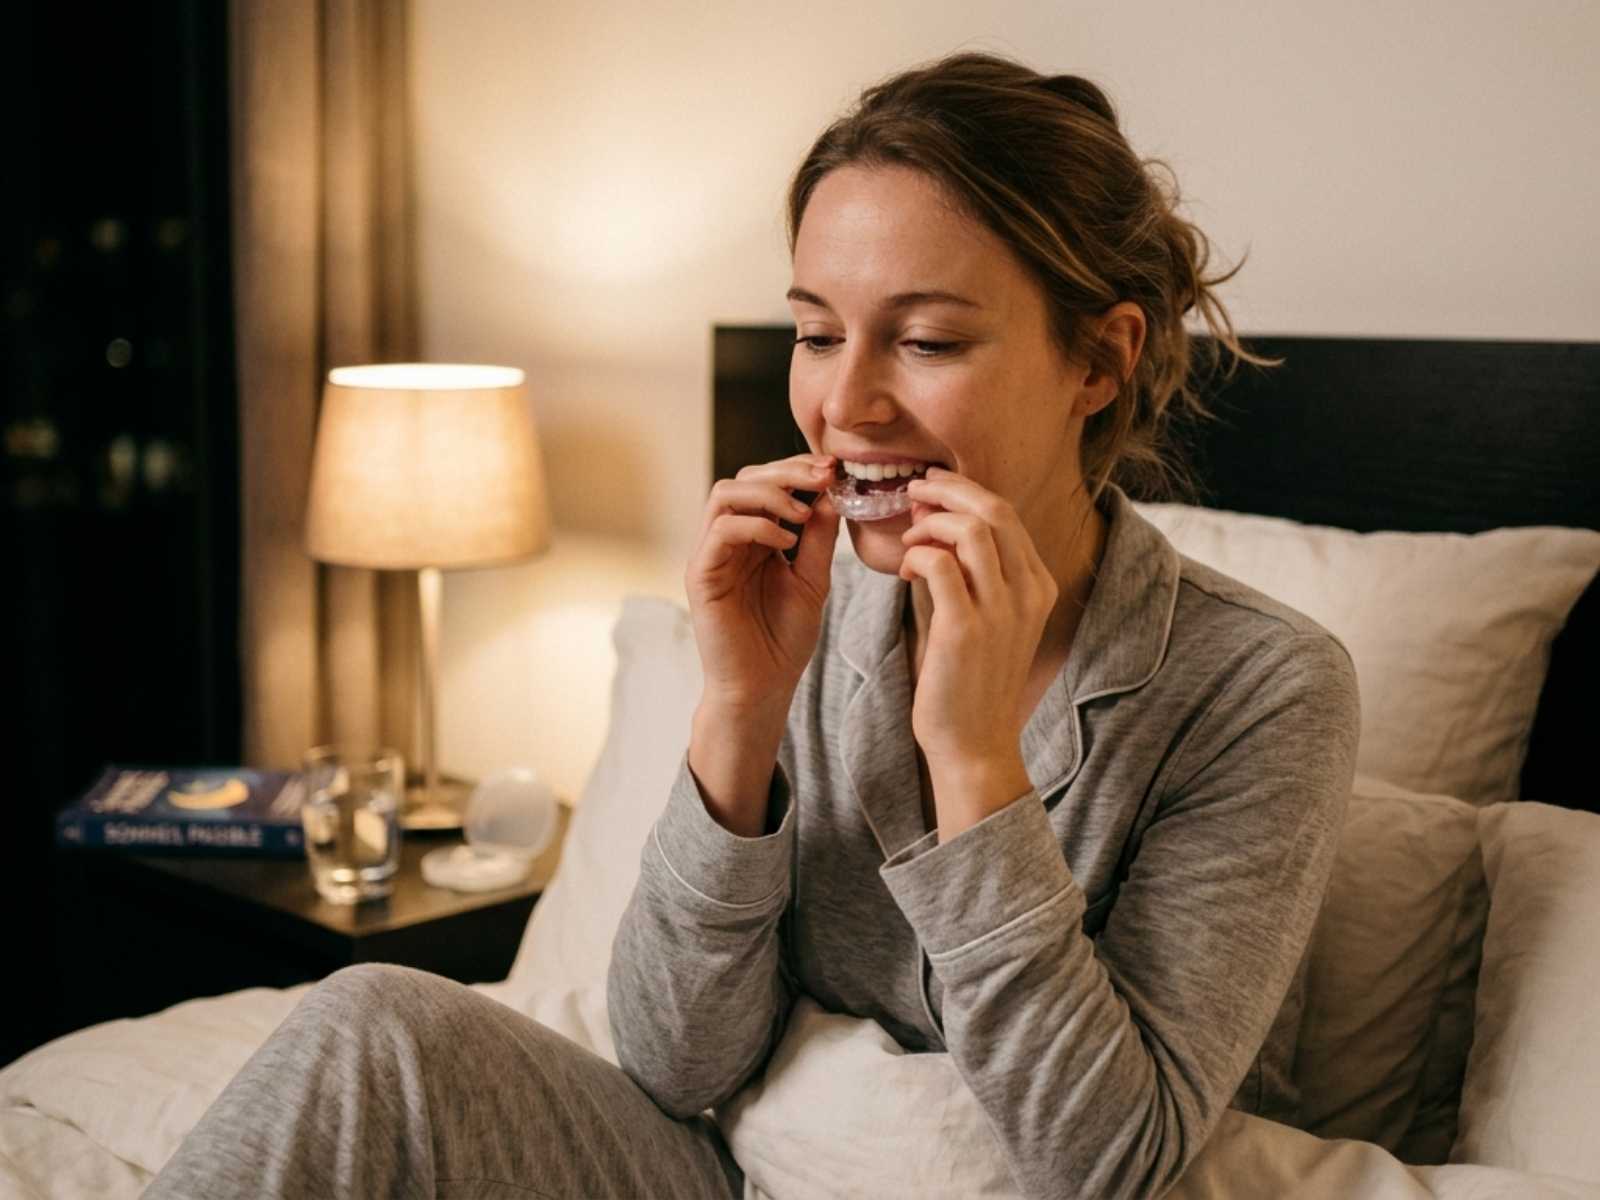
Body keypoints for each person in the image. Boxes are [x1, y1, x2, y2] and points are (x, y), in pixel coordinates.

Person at [147, 51, 1359, 1200]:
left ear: (1100, 359)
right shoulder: (815, 606)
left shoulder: (1258, 690)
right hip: (728, 1173)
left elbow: (1108, 1161)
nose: (844, 404)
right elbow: (672, 1066)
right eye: (817, 332)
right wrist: (740, 713)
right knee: (371, 1022)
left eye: (927, 340)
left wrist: (977, 767)